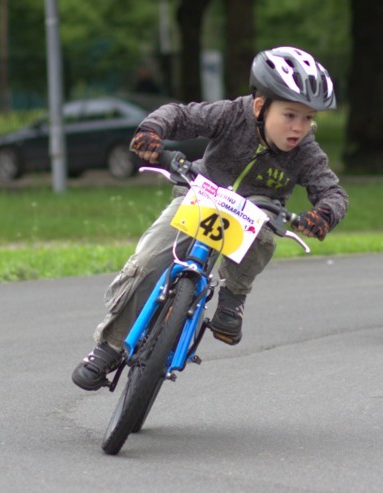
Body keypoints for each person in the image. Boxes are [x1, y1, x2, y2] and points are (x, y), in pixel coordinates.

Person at [72, 46, 348, 391]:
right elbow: (181, 115)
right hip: (199, 198)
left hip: (253, 214)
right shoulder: (232, 114)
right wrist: (153, 129)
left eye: (308, 119)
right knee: (147, 262)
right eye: (290, 115)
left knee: (263, 237)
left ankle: (234, 295)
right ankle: (110, 347)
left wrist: (323, 215)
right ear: (261, 107)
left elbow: (334, 193)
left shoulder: (306, 152)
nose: (299, 128)